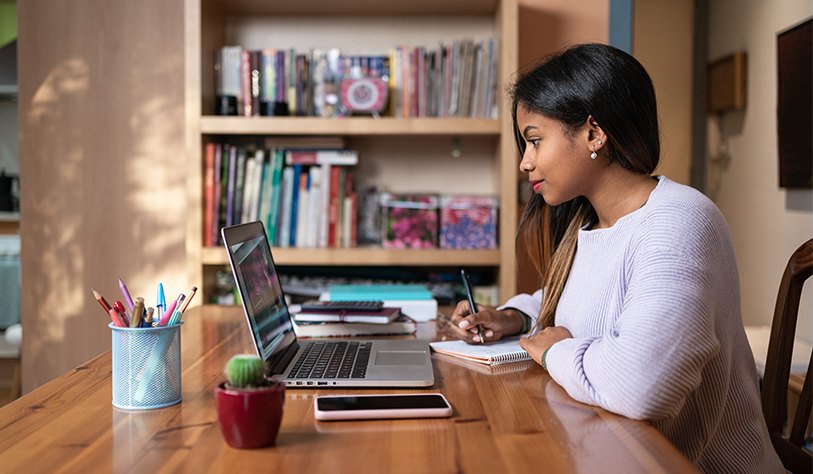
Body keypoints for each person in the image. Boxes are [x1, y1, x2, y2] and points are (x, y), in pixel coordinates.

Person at [448, 43, 783, 473]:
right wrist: (511, 316)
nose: (524, 163)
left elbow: (643, 387)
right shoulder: (590, 222)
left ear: (593, 133)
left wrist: (558, 352)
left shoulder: (678, 222)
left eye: (534, 141)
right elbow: (578, 303)